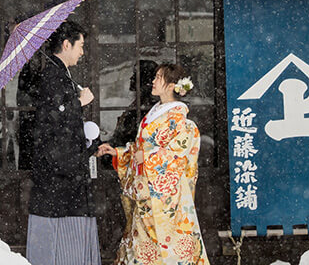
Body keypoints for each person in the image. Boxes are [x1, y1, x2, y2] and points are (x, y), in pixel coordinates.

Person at [99, 63, 209, 265]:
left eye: (159, 77)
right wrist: (118, 152)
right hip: (147, 192)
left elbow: (177, 155)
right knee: (142, 248)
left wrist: (148, 157)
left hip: (164, 198)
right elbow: (143, 148)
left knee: (162, 250)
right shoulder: (157, 111)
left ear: (171, 85)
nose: (153, 81)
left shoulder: (179, 119)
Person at [26, 19, 110, 265]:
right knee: (62, 240)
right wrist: (79, 103)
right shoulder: (53, 76)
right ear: (66, 44)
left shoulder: (60, 74)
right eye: (80, 45)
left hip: (61, 172)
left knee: (64, 233)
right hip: (59, 174)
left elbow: (63, 124)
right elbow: (51, 119)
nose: (83, 52)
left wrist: (91, 145)